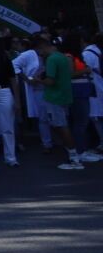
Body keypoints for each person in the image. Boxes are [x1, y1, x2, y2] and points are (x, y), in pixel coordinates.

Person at [26, 35, 83, 171]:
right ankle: (72, 154)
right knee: (62, 125)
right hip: (64, 95)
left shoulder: (51, 59)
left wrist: (37, 80)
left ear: (42, 47)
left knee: (61, 126)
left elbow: (50, 81)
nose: (40, 54)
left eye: (39, 51)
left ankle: (73, 157)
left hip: (54, 97)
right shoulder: (62, 57)